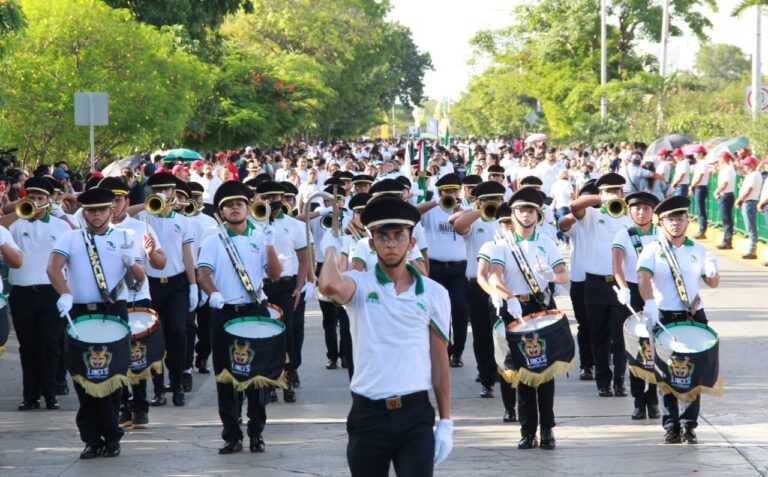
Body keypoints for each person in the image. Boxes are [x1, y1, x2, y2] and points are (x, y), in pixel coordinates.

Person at [318, 195, 453, 477]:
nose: (391, 244)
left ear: (411, 242)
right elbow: (329, 285)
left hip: (415, 414)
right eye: (382, 236)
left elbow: (439, 358)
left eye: (398, 236)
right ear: (372, 244)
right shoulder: (360, 284)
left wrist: (446, 421)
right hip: (368, 414)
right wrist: (331, 249)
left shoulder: (434, 293)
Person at [47, 187, 146, 459]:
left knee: (113, 377)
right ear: (84, 213)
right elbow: (53, 268)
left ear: (111, 210)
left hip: (113, 310)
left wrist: (131, 261)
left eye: (102, 209)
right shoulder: (71, 237)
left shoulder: (124, 236)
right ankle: (91, 439)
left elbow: (140, 276)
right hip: (80, 311)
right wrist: (65, 293)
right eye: (91, 210)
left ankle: (112, 436)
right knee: (83, 376)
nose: (97, 215)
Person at [197, 180, 282, 454]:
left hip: (254, 310)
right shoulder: (213, 240)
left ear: (247, 207)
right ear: (221, 212)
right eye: (229, 206)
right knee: (226, 376)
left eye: (239, 204)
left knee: (257, 376)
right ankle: (231, 434)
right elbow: (203, 273)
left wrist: (270, 246)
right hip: (224, 312)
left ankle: (257, 432)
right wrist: (213, 293)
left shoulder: (260, 236)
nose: (235, 209)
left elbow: (276, 274)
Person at [486, 187, 569, 450]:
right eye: (521, 210)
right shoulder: (502, 244)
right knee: (522, 372)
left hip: (541, 306)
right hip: (515, 308)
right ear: (513, 213)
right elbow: (494, 275)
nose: (526, 215)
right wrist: (507, 296)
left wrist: (552, 276)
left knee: (544, 371)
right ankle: (527, 430)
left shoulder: (546, 242)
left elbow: (563, 274)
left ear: (538, 215)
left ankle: (547, 429)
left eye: (531, 210)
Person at [637, 195, 720, 444]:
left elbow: (712, 282)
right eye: (670, 219)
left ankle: (689, 424)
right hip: (664, 315)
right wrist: (649, 303)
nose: (676, 223)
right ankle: (671, 424)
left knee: (692, 373)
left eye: (680, 218)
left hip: (692, 316)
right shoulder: (653, 249)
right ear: (661, 222)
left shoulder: (699, 250)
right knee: (666, 373)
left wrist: (713, 271)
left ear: (687, 221)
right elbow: (643, 277)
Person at [100, 176, 166, 430]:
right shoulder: (95, 229)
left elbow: (160, 262)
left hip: (138, 298)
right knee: (115, 355)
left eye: (118, 200)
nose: (113, 206)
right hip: (110, 300)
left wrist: (150, 253)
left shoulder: (140, 227)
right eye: (109, 201)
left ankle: (140, 405)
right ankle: (122, 405)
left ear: (127, 202)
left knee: (138, 355)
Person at [133, 172, 198, 407]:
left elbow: (187, 256)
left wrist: (193, 285)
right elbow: (122, 215)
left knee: (178, 331)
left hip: (176, 283)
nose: (162, 194)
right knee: (154, 336)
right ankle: (159, 388)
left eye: (167, 190)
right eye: (157, 190)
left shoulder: (183, 221)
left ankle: (177, 383)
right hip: (150, 284)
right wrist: (147, 204)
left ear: (173, 191)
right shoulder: (142, 217)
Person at [569, 173, 633, 397]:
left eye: (617, 191)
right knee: (598, 334)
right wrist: (602, 199)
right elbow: (574, 206)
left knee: (620, 334)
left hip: (620, 283)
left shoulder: (629, 218)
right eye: (609, 190)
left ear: (623, 193)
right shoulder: (592, 215)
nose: (614, 194)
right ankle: (603, 382)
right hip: (594, 283)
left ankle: (619, 381)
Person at [255, 181, 309, 402]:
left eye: (275, 197)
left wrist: (299, 287)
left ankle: (287, 378)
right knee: (265, 335)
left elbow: (304, 259)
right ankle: (269, 381)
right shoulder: (251, 223)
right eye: (266, 197)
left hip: (285, 285)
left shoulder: (294, 225)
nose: (271, 201)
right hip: (260, 286)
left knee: (286, 334)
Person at [610, 191, 661, 421]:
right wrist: (623, 288)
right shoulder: (623, 234)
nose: (641, 212)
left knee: (656, 348)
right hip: (631, 294)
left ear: (653, 212)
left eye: (646, 208)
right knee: (635, 348)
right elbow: (617, 265)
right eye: (637, 208)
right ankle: (639, 401)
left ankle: (654, 399)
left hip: (656, 293)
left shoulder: (661, 234)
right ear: (629, 212)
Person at [451, 181, 504, 400]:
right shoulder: (475, 219)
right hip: (477, 284)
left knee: (503, 334)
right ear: (479, 202)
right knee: (482, 335)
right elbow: (458, 226)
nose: (494, 203)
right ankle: (486, 379)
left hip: (503, 285)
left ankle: (504, 372)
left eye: (497, 199)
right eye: (489, 200)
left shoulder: (507, 220)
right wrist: (480, 211)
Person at [416, 173, 469, 368]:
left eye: (455, 191)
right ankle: (445, 349)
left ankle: (458, 352)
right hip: (436, 266)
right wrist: (435, 202)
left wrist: (459, 208)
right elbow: (412, 212)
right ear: (440, 192)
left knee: (460, 308)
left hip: (459, 267)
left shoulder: (465, 208)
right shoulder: (432, 210)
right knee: (439, 310)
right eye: (447, 191)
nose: (452, 194)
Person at [557, 181, 598, 380]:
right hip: (580, 280)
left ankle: (603, 359)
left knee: (605, 326)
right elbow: (562, 224)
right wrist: (580, 213)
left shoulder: (609, 218)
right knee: (585, 325)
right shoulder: (576, 219)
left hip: (604, 280)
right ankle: (587, 365)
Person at [734, 156, 763, 260]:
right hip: (748, 201)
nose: (744, 167)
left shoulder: (754, 175)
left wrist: (739, 199)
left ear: (751, 165)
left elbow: (748, 190)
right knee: (750, 227)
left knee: (751, 227)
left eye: (746, 165)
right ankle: (751, 249)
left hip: (749, 202)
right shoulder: (751, 175)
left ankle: (751, 251)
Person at [713, 152, 736, 250]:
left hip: (725, 195)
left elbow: (724, 183)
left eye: (720, 158)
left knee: (726, 220)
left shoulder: (727, 169)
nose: (718, 159)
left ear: (724, 159)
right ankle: (726, 240)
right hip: (725, 195)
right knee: (726, 219)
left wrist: (717, 191)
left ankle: (727, 241)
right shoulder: (726, 169)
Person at [688, 146, 710, 239]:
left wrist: (691, 186)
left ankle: (702, 230)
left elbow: (699, 177)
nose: (694, 155)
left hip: (700, 187)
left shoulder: (702, 163)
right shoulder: (700, 163)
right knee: (699, 209)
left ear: (701, 154)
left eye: (696, 153)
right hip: (699, 187)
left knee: (700, 210)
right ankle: (701, 229)